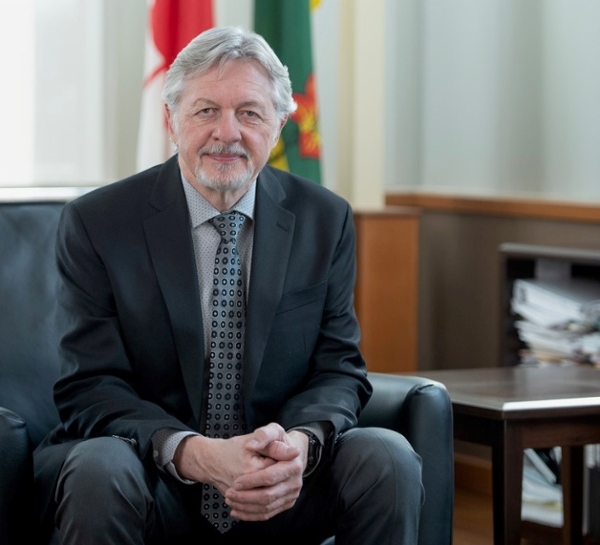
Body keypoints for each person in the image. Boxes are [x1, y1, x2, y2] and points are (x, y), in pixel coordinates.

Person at [34, 26, 423, 545]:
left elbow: (338, 369)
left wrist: (298, 446)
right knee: (99, 467)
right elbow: (90, 385)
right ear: (172, 121)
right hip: (152, 478)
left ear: (280, 125)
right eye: (206, 111)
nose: (227, 132)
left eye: (250, 112)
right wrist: (196, 455)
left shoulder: (324, 219)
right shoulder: (98, 223)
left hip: (284, 482)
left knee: (387, 456)